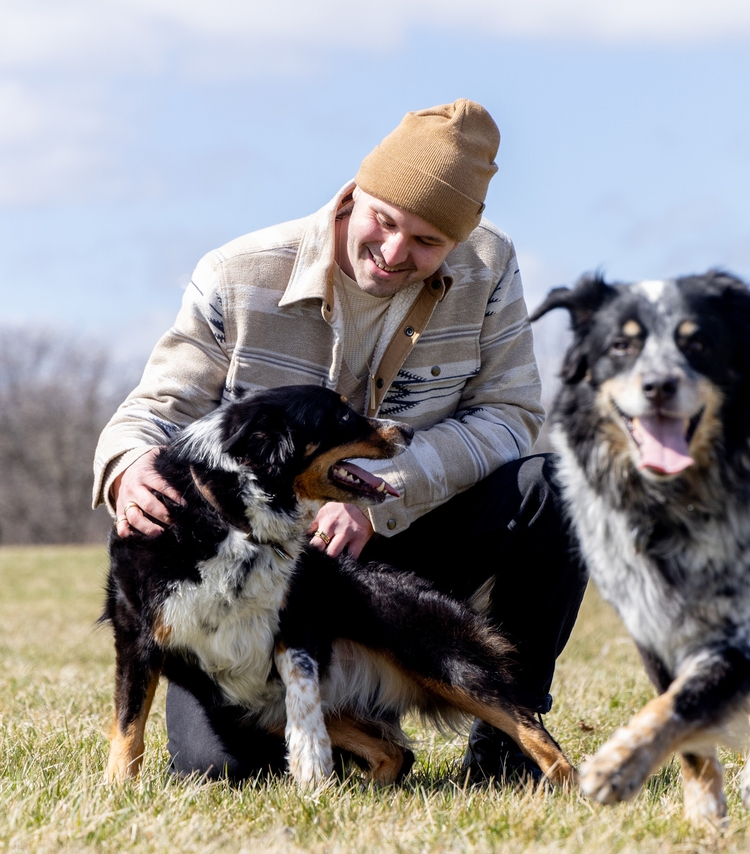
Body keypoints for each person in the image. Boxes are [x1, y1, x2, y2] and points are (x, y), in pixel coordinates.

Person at [92, 99, 587, 783]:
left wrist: (382, 497)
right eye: (383, 223)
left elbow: (509, 415)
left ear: (459, 240)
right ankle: (358, 728)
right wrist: (126, 464)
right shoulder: (235, 274)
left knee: (553, 489)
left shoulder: (490, 266)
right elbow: (155, 408)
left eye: (425, 243)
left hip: (411, 540)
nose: (392, 254)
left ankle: (509, 734)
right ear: (356, 194)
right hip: (258, 580)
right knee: (221, 770)